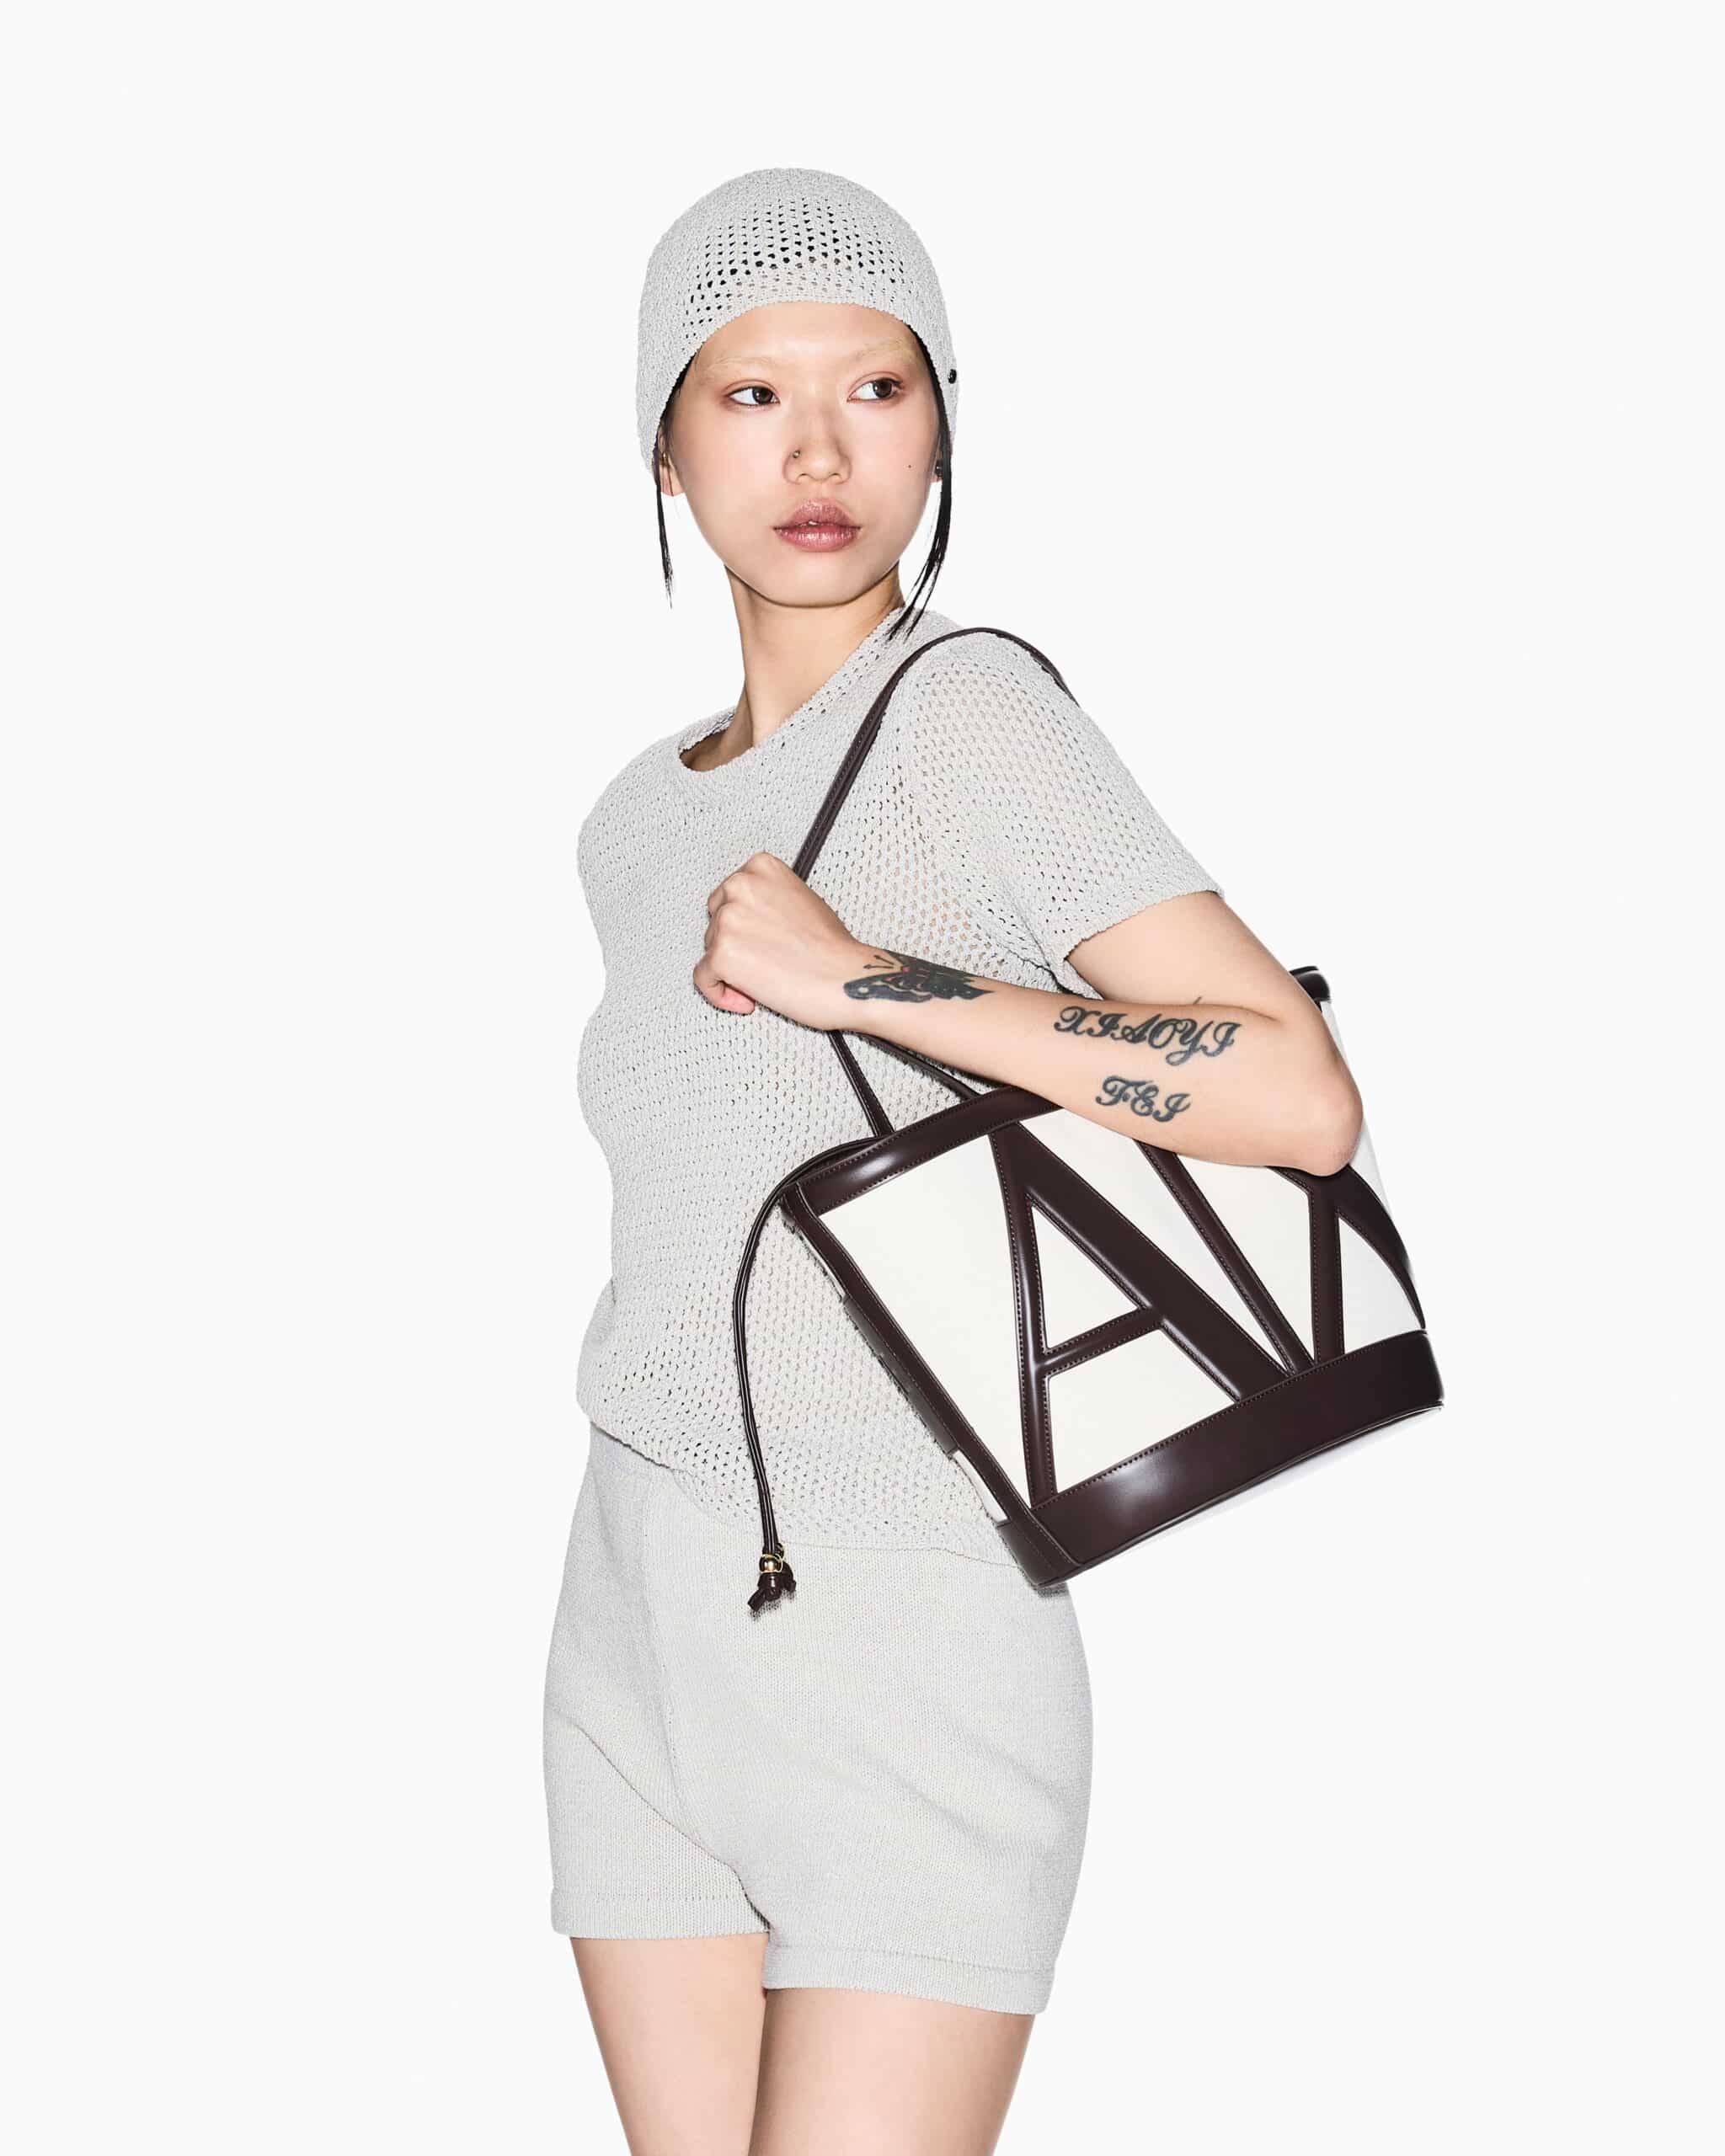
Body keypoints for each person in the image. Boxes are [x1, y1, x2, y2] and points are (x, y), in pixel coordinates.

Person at [542, 166, 1360, 2155]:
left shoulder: (967, 716)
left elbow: (1296, 1094)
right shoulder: (633, 821)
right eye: (749, 392)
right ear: (663, 440)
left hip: (907, 1630)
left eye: (876, 387)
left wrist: (865, 980)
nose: (818, 451)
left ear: (939, 425)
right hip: (633, 1622)